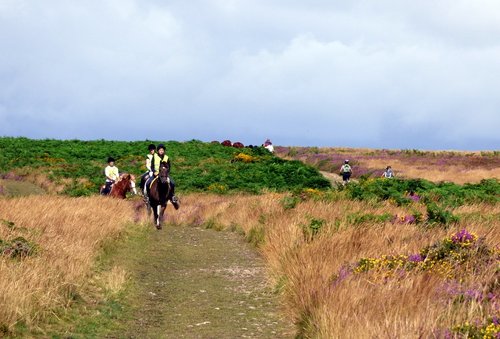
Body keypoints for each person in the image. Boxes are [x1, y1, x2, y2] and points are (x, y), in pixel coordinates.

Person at [150, 144, 180, 209]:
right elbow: (152, 166)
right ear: (158, 151)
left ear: (164, 151)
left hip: (164, 175)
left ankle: (172, 196)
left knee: (172, 182)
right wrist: (154, 171)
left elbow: (169, 167)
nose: (161, 151)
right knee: (148, 182)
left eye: (162, 150)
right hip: (156, 174)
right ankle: (147, 197)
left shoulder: (166, 157)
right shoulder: (154, 156)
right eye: (160, 150)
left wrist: (166, 173)